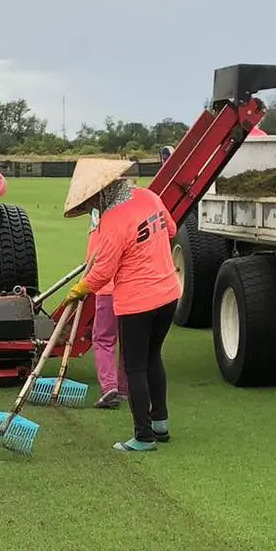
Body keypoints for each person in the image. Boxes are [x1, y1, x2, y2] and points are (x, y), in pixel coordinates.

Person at [63, 158, 180, 452]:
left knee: (135, 366)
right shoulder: (150, 196)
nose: (92, 207)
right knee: (154, 357)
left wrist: (79, 290)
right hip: (168, 294)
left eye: (93, 201)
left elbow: (102, 273)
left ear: (102, 193)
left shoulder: (113, 221)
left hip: (138, 302)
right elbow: (172, 230)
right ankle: (160, 423)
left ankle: (143, 436)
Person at [84, 206, 129, 409]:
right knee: (128, 339)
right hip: (129, 287)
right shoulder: (128, 212)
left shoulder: (100, 214)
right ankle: (127, 388)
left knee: (103, 339)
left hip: (106, 287)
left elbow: (96, 254)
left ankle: (110, 388)